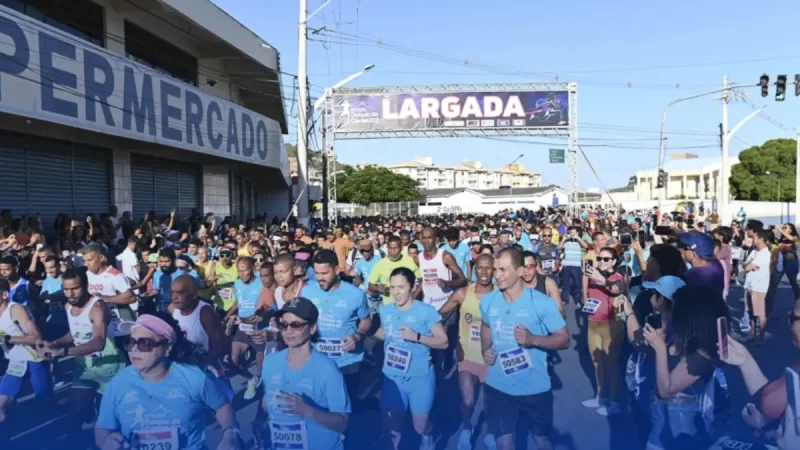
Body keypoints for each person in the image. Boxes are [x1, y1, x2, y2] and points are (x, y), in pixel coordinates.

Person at [94, 313, 240, 450]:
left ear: (167, 348)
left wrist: (230, 434)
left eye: (145, 343)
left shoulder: (196, 378)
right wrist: (106, 441)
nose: (134, 349)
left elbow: (222, 407)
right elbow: (102, 430)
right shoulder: (118, 383)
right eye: (130, 342)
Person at [480, 247, 569, 450]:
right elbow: (485, 326)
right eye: (495, 269)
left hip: (534, 387)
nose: (497, 275)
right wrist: (485, 349)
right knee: (505, 445)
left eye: (503, 270)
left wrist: (532, 339)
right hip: (498, 386)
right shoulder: (488, 302)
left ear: (520, 271)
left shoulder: (541, 303)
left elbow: (564, 339)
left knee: (541, 441)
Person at [38, 269, 125, 445]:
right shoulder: (68, 306)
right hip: (84, 366)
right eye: (66, 289)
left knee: (107, 420)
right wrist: (54, 343)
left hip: (108, 368)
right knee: (76, 411)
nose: (70, 294)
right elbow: (75, 332)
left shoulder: (97, 307)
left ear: (85, 286)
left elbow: (98, 342)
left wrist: (63, 352)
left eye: (75, 289)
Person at [642, 285, 728, 449]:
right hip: (662, 425)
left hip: (679, 434)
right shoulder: (684, 338)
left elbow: (666, 390)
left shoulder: (703, 355)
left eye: (677, 308)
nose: (673, 311)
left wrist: (660, 348)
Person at [260, 297, 350, 450]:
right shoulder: (270, 362)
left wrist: (308, 411)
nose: (289, 331)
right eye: (284, 325)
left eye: (296, 325)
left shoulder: (327, 368)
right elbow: (267, 402)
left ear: (313, 328)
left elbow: (342, 422)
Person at [375, 267, 449, 450]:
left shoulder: (425, 311)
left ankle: (428, 435)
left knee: (420, 426)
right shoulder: (386, 311)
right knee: (393, 426)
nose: (396, 293)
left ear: (412, 287)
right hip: (392, 377)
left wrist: (417, 337)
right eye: (393, 287)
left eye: (401, 287)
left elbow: (444, 342)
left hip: (420, 378)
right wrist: (364, 331)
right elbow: (385, 334)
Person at [439, 254, 497, 450]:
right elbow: (439, 314)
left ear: (494, 270)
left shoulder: (501, 295)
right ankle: (466, 428)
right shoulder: (463, 293)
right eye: (480, 267)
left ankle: (491, 433)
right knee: (468, 400)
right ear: (475, 269)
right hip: (467, 356)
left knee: (491, 403)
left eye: (488, 268)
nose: (484, 272)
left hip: (492, 358)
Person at [301, 250, 371, 405]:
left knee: (344, 407)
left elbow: (366, 320)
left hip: (347, 362)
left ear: (337, 270)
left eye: (325, 273)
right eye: (317, 273)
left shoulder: (355, 294)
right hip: (317, 359)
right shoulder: (307, 291)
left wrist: (357, 336)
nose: (320, 278)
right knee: (317, 406)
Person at [0, 278, 53, 445]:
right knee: (1, 406)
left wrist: (7, 339)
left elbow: (36, 337)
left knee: (44, 404)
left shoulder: (16, 309)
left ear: (4, 294)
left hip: (34, 360)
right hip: (16, 363)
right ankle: (6, 442)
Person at [581, 247, 626, 415]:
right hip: (593, 323)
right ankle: (601, 396)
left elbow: (616, 289)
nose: (601, 262)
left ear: (613, 261)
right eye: (599, 258)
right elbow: (587, 293)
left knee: (611, 364)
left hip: (611, 325)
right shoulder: (592, 275)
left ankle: (614, 401)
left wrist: (600, 278)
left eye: (606, 259)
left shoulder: (618, 277)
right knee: (597, 362)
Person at [228, 257, 268, 400]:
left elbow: (266, 305)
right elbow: (237, 302)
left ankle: (260, 380)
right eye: (239, 271)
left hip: (258, 328)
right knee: (233, 361)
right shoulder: (237, 283)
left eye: (244, 270)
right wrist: (227, 316)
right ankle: (252, 379)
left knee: (260, 361)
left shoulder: (261, 283)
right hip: (242, 327)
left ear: (252, 269)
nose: (241, 274)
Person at [742, 229, 771, 341]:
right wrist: (749, 265)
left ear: (761, 239)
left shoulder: (765, 254)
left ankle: (761, 336)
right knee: (750, 311)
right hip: (749, 285)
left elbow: (747, 267)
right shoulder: (754, 251)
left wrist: (749, 265)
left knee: (760, 313)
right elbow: (745, 265)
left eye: (754, 237)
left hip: (758, 287)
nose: (752, 240)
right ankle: (752, 333)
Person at [678, 232, 725, 296]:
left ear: (694, 253)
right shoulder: (717, 265)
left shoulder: (688, 277)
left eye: (685, 248)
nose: (683, 251)